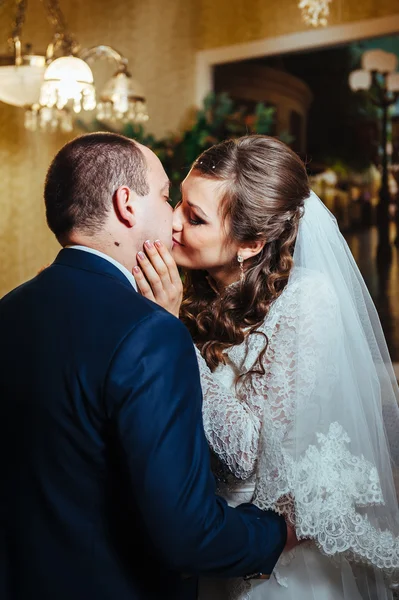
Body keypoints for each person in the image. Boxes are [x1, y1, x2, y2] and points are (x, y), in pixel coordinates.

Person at [0, 133, 294, 600]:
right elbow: (187, 532)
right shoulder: (151, 331)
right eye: (164, 196)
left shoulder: (10, 309)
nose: (173, 217)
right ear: (126, 205)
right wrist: (278, 535)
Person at [133, 135, 399, 600]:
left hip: (273, 562)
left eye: (194, 218)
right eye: (178, 202)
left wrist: (171, 330)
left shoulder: (307, 302)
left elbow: (248, 456)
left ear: (251, 243)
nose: (172, 221)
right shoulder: (189, 287)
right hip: (209, 538)